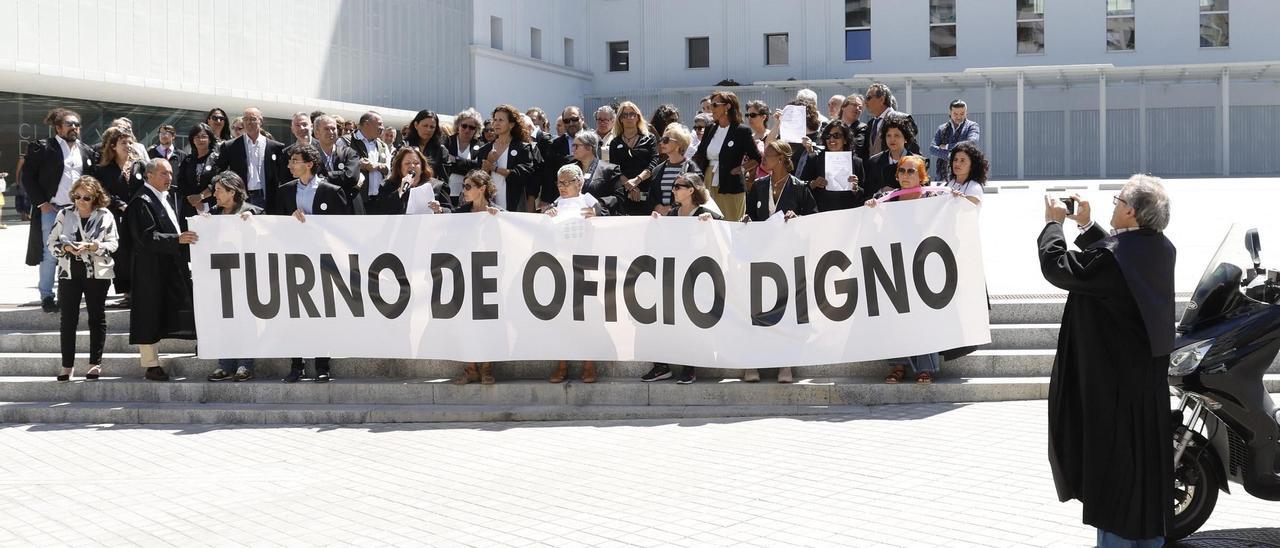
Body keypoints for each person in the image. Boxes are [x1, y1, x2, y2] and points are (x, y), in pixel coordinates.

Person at [1039, 175, 1175, 547]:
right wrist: (1085, 225)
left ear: (1130, 211)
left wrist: (1054, 224)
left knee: (1117, 483)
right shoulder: (1161, 248)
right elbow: (1115, 258)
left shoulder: (1116, 260)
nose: (1113, 206)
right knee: (1147, 481)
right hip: (1146, 386)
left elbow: (1060, 268)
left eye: (1117, 201)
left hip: (1114, 390)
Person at [865, 155, 950, 384]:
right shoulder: (886, 199)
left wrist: (957, 200)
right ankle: (899, 366)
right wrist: (871, 209)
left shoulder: (933, 198)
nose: (905, 175)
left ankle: (925, 368)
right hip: (895, 266)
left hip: (924, 266)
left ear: (922, 176)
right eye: (902, 171)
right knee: (897, 318)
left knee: (923, 318)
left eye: (911, 171)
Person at [273, 144, 350, 383]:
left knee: (322, 314)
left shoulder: (331, 190)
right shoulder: (284, 191)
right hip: (293, 259)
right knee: (295, 314)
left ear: (309, 164)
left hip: (323, 261)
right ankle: (296, 365)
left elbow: (344, 227)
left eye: (295, 160)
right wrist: (290, 220)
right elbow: (273, 222)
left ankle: (322, 365)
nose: (289, 165)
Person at [741, 140, 815, 384]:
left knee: (788, 312)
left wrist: (799, 218)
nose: (764, 157)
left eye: (769, 153)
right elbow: (750, 213)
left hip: (788, 259)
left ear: (782, 158)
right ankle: (753, 363)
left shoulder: (799, 187)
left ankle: (786, 365)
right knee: (758, 311)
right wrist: (746, 219)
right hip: (762, 259)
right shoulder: (759, 185)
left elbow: (815, 221)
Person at [640, 173, 720, 385]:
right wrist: (657, 224)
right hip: (672, 275)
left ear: (691, 189)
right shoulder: (673, 214)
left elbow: (722, 239)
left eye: (678, 186)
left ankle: (689, 367)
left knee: (689, 323)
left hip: (696, 278)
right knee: (662, 320)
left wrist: (711, 224)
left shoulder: (705, 214)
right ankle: (661, 366)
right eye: (674, 186)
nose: (673, 190)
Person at [22, 108, 98, 313]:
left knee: (75, 252)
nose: (74, 127)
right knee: (51, 254)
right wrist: (41, 202)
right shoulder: (43, 148)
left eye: (77, 124)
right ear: (58, 127)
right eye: (69, 124)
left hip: (78, 211)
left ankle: (67, 294)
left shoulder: (86, 150)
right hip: (51, 210)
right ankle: (47, 296)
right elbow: (27, 177)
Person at [128, 158, 197, 382]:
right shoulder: (141, 200)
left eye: (170, 173)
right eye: (163, 174)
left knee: (182, 303)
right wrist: (177, 239)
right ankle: (150, 364)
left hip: (171, 263)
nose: (169, 178)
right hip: (150, 268)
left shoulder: (169, 197)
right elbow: (145, 237)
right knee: (148, 312)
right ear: (149, 176)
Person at [46, 176, 118, 382]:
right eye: (77, 196)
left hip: (97, 272)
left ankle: (95, 363)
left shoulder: (105, 215)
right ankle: (67, 365)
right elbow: (51, 243)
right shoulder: (64, 213)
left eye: (86, 197)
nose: (81, 201)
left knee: (96, 317)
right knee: (68, 319)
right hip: (69, 272)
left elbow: (114, 244)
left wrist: (94, 246)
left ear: (95, 197)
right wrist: (66, 248)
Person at [201, 171, 262, 382]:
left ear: (232, 191)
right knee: (223, 321)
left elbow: (267, 237)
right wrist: (202, 226)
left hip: (246, 277)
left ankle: (245, 364)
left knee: (245, 321)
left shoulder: (253, 212)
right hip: (220, 277)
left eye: (218, 190)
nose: (214, 194)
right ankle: (225, 365)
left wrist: (254, 223)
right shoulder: (213, 215)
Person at [447, 170, 500, 385]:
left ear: (482, 188)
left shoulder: (498, 214)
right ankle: (470, 369)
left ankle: (487, 368)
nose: (464, 191)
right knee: (464, 323)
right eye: (464, 187)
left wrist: (499, 221)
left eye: (469, 186)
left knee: (488, 323)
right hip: (464, 274)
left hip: (489, 276)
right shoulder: (460, 213)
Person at [87, 127, 145, 307]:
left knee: (140, 251)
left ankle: (141, 291)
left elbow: (146, 187)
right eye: (123, 143)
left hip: (138, 214)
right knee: (121, 253)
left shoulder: (139, 165)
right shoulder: (103, 169)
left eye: (130, 142)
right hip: (116, 216)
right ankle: (127, 293)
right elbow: (103, 191)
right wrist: (119, 204)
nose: (128, 146)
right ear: (113, 146)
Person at [693, 91, 761, 224]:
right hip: (708, 180)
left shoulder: (741, 131)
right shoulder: (710, 129)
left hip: (731, 184)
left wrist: (740, 169)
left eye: (715, 105)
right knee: (710, 221)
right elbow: (700, 154)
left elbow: (756, 158)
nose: (711, 109)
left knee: (731, 222)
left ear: (727, 107)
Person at [213, 107, 287, 211]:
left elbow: (282, 174)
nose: (248, 122)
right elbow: (220, 171)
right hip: (241, 197)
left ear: (260, 121)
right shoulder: (230, 146)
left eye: (252, 119)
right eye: (245, 119)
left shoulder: (275, 147)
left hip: (267, 197)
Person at [477, 104, 539, 212]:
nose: (496, 123)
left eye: (501, 120)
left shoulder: (522, 148)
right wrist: (487, 165)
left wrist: (494, 168)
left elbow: (521, 175)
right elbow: (478, 179)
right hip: (489, 206)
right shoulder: (485, 149)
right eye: (495, 120)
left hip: (513, 205)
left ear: (511, 125)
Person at [801, 120, 866, 212]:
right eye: (828, 136)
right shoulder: (816, 159)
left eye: (836, 136)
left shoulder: (856, 162)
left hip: (848, 214)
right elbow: (802, 186)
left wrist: (855, 188)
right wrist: (814, 183)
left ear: (845, 140)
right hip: (821, 213)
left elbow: (864, 194)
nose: (831, 140)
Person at [642, 124, 701, 216]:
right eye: (661, 140)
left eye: (666, 140)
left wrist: (673, 209)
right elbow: (651, 195)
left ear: (679, 143)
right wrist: (657, 206)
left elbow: (697, 196)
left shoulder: (691, 169)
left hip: (683, 217)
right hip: (659, 219)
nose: (661, 143)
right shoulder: (657, 170)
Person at [611, 101, 657, 215]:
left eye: (632, 114)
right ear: (620, 119)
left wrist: (637, 180)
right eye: (624, 115)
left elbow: (654, 161)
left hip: (647, 189)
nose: (629, 118)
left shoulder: (649, 138)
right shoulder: (615, 142)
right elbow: (614, 167)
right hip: (624, 192)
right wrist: (629, 186)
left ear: (638, 117)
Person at [311, 115, 363, 203]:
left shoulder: (349, 153)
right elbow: (308, 179)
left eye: (333, 128)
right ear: (316, 133)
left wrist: (323, 178)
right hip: (319, 203)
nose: (331, 132)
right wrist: (341, 175)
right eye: (326, 129)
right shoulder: (310, 155)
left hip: (347, 204)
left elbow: (351, 177)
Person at [348, 111, 392, 214]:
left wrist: (377, 166)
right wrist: (358, 164)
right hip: (355, 199)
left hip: (379, 200)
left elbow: (389, 171)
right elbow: (339, 167)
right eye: (380, 124)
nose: (382, 127)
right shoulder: (346, 141)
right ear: (367, 124)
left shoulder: (383, 146)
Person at [541, 106, 586, 206]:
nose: (571, 123)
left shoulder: (595, 140)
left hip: (588, 196)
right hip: (562, 199)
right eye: (566, 121)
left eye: (574, 119)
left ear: (582, 119)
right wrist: (545, 200)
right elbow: (549, 173)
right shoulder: (555, 144)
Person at [864, 114, 918, 195]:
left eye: (897, 135)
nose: (892, 139)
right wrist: (880, 192)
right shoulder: (874, 161)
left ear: (906, 138)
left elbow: (924, 190)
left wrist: (897, 192)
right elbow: (868, 192)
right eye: (888, 135)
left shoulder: (918, 162)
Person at [385, 147, 450, 214]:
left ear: (422, 168)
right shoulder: (389, 186)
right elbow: (381, 208)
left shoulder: (437, 186)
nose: (412, 166)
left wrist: (440, 209)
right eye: (407, 163)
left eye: (416, 163)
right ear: (399, 168)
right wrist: (400, 191)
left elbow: (450, 212)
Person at [928, 100, 981, 181]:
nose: (959, 117)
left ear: (966, 113)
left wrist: (947, 146)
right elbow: (932, 149)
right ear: (950, 113)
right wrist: (951, 156)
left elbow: (971, 142)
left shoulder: (972, 126)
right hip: (942, 175)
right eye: (955, 114)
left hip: (965, 175)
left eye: (962, 114)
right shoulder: (942, 128)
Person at [177, 123, 221, 219]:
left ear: (210, 139)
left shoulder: (217, 159)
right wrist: (192, 198)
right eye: (197, 137)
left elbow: (219, 181)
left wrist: (201, 197)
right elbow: (181, 182)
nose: (201, 140)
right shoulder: (187, 160)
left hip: (212, 205)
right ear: (193, 140)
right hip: (189, 206)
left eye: (204, 136)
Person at [865, 83, 920, 157]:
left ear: (881, 99)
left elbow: (913, 150)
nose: (865, 102)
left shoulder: (903, 119)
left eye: (868, 98)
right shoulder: (870, 124)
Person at [445, 108, 485, 201]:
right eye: (464, 126)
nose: (467, 130)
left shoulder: (480, 145)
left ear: (476, 130)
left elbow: (478, 167)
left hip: (471, 194)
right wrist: (467, 165)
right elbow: (445, 164)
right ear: (458, 126)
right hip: (448, 191)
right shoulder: (448, 141)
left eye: (472, 127)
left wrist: (455, 160)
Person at [406, 109, 449, 189]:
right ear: (416, 125)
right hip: (407, 192)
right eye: (425, 126)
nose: (428, 129)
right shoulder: (405, 146)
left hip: (431, 192)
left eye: (432, 127)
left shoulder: (441, 150)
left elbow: (444, 179)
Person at [940, 141, 987, 206]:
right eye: (955, 159)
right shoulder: (948, 183)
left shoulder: (974, 187)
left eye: (962, 160)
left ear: (972, 165)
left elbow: (973, 204)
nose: (957, 164)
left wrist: (962, 198)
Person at [838, 94, 871, 161]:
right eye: (854, 105)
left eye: (860, 107)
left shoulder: (863, 129)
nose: (857, 108)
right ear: (843, 107)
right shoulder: (831, 126)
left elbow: (856, 147)